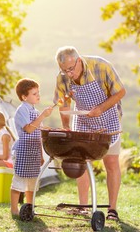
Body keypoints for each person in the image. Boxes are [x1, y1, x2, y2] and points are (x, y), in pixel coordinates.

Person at [53, 46, 126, 221]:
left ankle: (112, 210)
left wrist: (100, 108)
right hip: (83, 120)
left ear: (79, 61)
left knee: (111, 162)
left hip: (108, 118)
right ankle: (84, 207)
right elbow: (64, 103)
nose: (69, 74)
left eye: (71, 69)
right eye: (64, 70)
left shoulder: (100, 66)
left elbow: (121, 92)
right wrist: (66, 126)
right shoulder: (62, 77)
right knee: (81, 162)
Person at [11, 78, 53, 216]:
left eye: (38, 93)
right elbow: (29, 129)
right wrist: (42, 116)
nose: (38, 96)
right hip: (23, 150)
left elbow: (38, 134)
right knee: (19, 181)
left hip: (34, 150)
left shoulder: (35, 111)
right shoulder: (22, 110)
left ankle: (29, 208)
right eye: (34, 94)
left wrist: (41, 155)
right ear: (24, 97)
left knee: (32, 183)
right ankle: (14, 209)